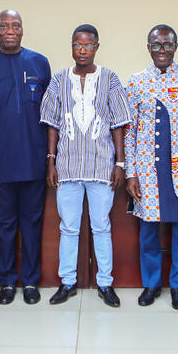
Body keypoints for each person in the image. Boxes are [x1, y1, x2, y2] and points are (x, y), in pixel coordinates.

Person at [40, 24, 131, 307]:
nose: (82, 50)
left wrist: (119, 163)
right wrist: (51, 162)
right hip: (67, 168)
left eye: (88, 45)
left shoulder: (109, 78)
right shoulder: (59, 79)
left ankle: (105, 283)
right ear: (71, 47)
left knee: (101, 227)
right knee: (68, 228)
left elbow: (118, 123)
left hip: (101, 166)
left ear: (97, 47)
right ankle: (67, 281)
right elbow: (52, 124)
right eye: (77, 45)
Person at [0, 10, 51, 305]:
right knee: (3, 226)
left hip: (34, 162)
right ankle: (7, 282)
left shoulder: (39, 63)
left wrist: (50, 159)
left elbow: (51, 116)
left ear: (23, 31)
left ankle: (30, 282)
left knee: (32, 224)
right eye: (4, 26)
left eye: (15, 26)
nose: (10, 30)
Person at [125, 24, 178, 309]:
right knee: (148, 234)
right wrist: (131, 172)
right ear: (148, 48)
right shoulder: (134, 82)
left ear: (175, 47)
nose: (162, 50)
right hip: (146, 171)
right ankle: (151, 284)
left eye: (167, 45)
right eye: (156, 45)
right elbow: (129, 131)